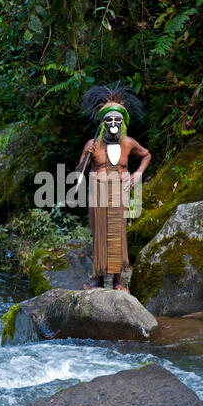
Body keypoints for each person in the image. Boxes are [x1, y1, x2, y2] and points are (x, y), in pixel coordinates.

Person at [75, 85, 151, 291]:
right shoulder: (93, 144)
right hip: (97, 192)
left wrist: (138, 174)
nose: (113, 123)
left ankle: (117, 281)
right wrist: (85, 156)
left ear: (123, 122)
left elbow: (146, 155)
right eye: (109, 120)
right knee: (99, 233)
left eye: (117, 119)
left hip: (119, 191)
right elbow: (79, 171)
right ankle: (98, 280)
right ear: (102, 122)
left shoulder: (128, 143)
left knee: (117, 232)